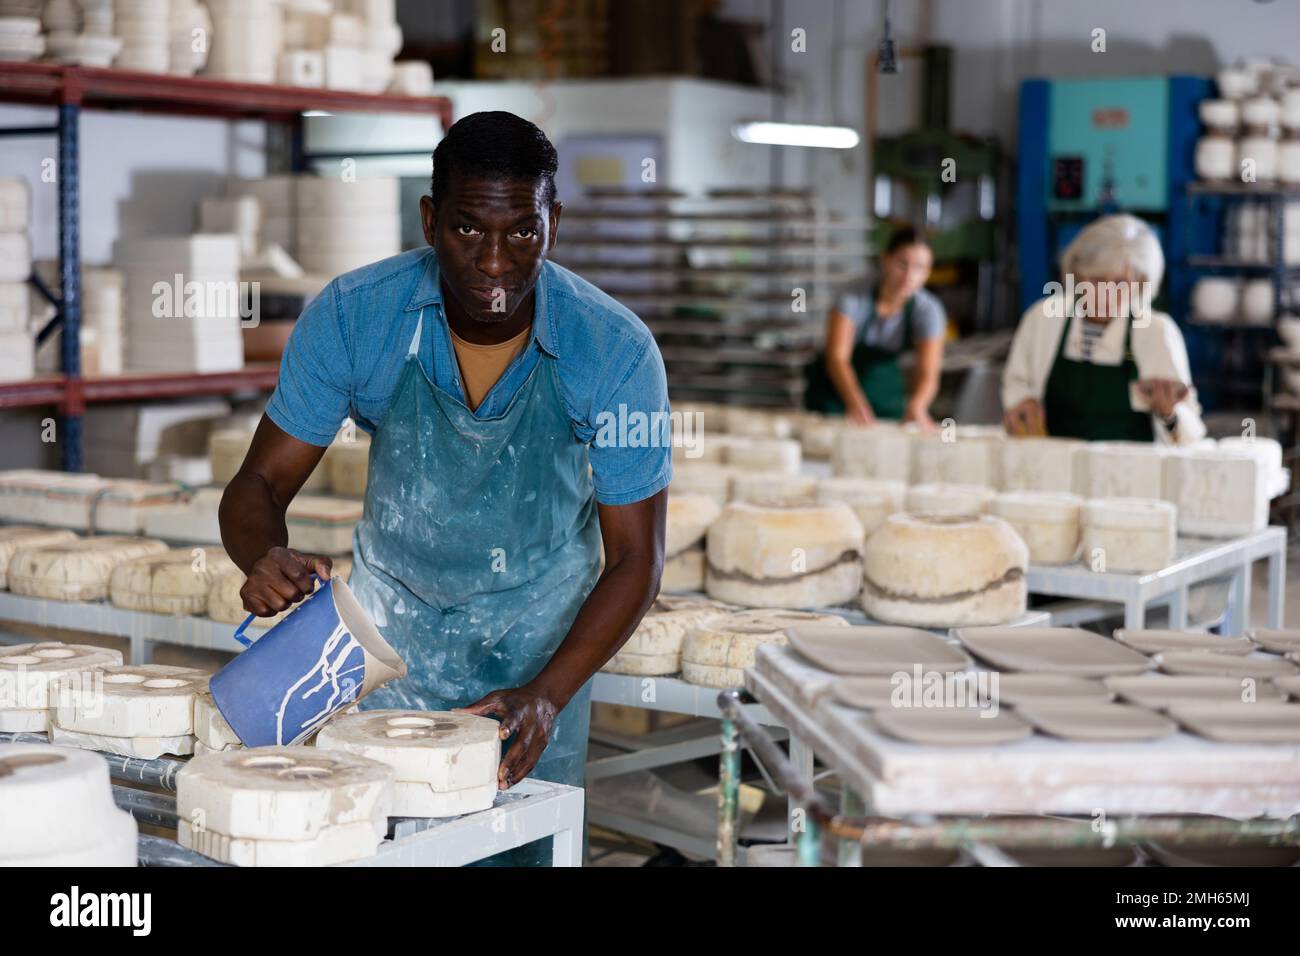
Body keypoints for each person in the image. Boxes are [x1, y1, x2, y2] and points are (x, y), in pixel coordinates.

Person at [218, 111, 670, 864]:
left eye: (522, 232)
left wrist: (549, 694)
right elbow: (258, 481)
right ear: (430, 221)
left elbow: (635, 560)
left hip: (538, 662)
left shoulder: (613, 351)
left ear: (553, 223)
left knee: (520, 851)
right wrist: (261, 553)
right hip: (386, 661)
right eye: (468, 230)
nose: (494, 262)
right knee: (376, 846)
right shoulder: (357, 316)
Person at [1002, 213, 1205, 444]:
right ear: (1077, 275)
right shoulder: (1044, 319)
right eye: (1097, 281)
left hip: (1131, 474)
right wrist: (1022, 401)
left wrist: (1169, 415)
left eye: (1120, 284)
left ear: (1140, 284)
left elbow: (1190, 436)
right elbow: (1016, 384)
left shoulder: (1156, 332)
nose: (1106, 295)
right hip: (1053, 470)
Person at [804, 226, 946, 428]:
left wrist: (918, 405)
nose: (909, 276)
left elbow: (928, 374)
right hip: (835, 396)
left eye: (920, 268)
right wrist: (855, 403)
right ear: (885, 259)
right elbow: (837, 358)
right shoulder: (852, 297)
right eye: (902, 264)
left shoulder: (929, 311)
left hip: (885, 398)